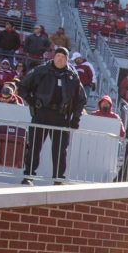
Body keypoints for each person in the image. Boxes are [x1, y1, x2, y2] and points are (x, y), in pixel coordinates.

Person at [17, 47, 86, 185]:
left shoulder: (72, 76)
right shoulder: (41, 70)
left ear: (67, 59)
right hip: (41, 113)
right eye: (58, 56)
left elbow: (81, 99)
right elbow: (22, 86)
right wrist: (30, 100)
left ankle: (58, 179)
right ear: (54, 57)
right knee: (34, 147)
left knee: (60, 150)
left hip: (61, 117)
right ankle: (28, 176)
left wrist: (76, 119)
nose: (60, 59)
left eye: (63, 57)